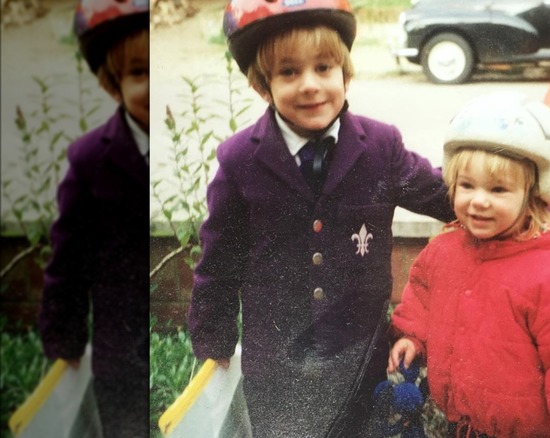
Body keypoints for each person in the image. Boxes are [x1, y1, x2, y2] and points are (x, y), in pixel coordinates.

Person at [187, 0, 453, 436]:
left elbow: (441, 194)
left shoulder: (381, 147)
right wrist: (212, 337)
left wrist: (522, 206)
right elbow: (219, 259)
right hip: (277, 366)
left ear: (345, 74)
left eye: (324, 68)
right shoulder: (239, 160)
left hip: (359, 357)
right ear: (262, 85)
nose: (310, 85)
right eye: (289, 72)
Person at [387, 94, 550, 438]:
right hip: (462, 426)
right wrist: (413, 337)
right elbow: (424, 293)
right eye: (467, 185)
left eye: (498, 189)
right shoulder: (445, 251)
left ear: (533, 196)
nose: (479, 200)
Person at [38, 0, 149, 436]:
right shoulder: (89, 160)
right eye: (139, 73)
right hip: (117, 347)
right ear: (112, 84)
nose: (153, 85)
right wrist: (62, 334)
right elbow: (68, 258)